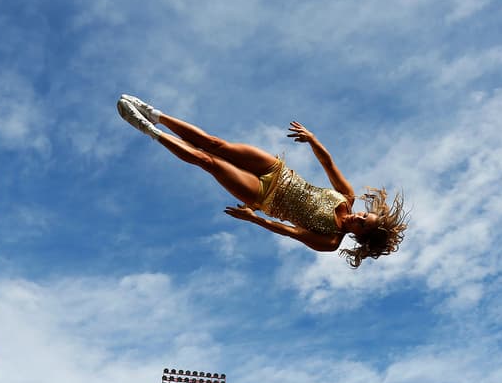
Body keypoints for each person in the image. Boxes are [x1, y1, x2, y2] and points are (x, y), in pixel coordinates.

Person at [116, 96, 407, 267]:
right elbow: (327, 163)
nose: (357, 216)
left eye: (361, 223)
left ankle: (149, 130)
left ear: (360, 235)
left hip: (265, 198)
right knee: (216, 144)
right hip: (278, 172)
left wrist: (253, 218)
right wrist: (312, 139)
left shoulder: (330, 241)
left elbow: (288, 231)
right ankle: (154, 113)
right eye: (364, 215)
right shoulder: (347, 196)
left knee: (209, 163)